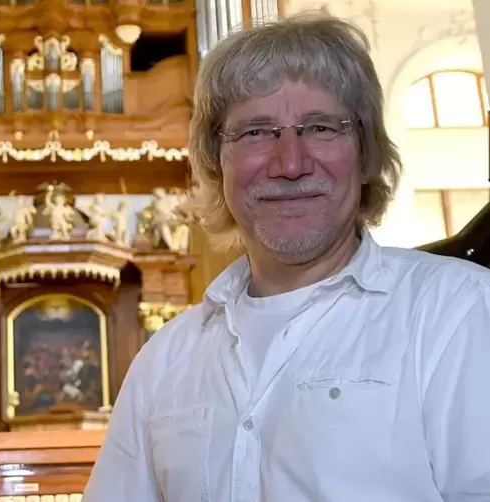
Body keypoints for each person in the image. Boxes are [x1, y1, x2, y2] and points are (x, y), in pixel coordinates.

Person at [82, 12, 490, 502]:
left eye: (320, 127)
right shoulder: (165, 357)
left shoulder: (457, 309)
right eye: (256, 132)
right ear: (217, 162)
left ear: (367, 153)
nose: (290, 163)